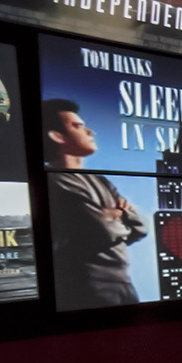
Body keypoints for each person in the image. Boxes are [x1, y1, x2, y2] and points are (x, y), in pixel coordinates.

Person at [42, 99, 147, 309]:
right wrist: (119, 215)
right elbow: (99, 228)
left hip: (123, 285)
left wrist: (114, 214)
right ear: (57, 136)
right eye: (77, 126)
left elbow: (141, 225)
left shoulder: (100, 180)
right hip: (89, 288)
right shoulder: (55, 179)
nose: (90, 131)